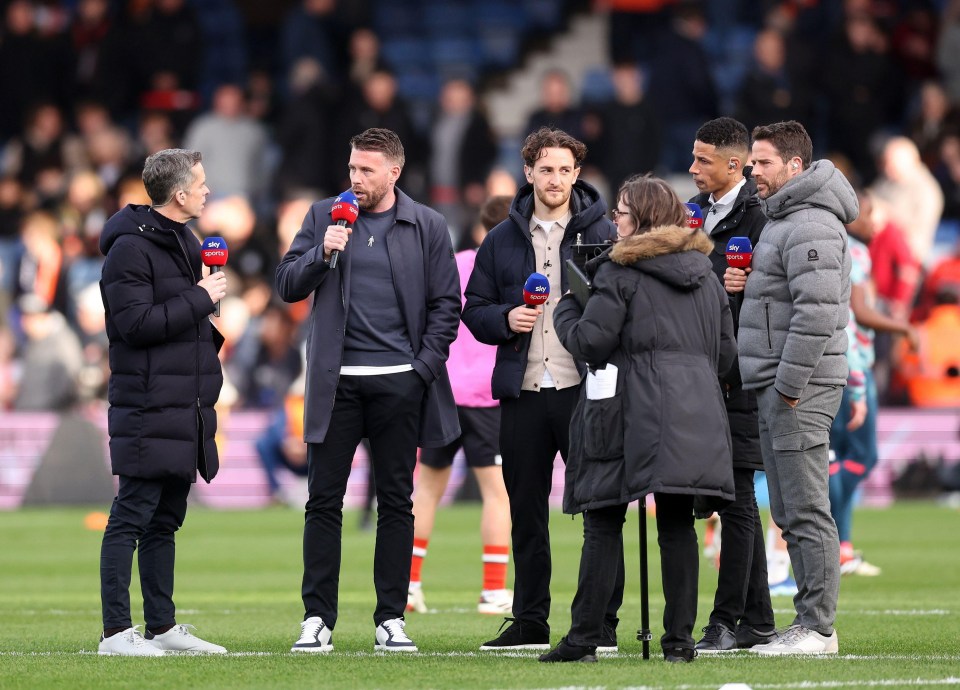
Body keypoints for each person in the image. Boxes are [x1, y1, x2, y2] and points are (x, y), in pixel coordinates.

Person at [275, 128, 460, 653]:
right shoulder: (322, 217)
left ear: (394, 172)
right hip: (336, 386)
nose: (356, 179)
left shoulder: (426, 224)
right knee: (323, 503)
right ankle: (317, 619)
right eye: (352, 168)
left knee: (397, 503)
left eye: (367, 171)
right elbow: (287, 283)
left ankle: (390, 620)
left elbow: (449, 305)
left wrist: (420, 370)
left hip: (400, 386)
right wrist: (322, 253)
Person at [542, 174, 736, 664]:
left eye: (621, 213)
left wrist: (567, 308)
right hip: (695, 410)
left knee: (603, 519)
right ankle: (679, 643)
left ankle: (584, 637)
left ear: (642, 220)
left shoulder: (617, 272)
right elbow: (727, 358)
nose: (614, 221)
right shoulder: (707, 275)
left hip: (628, 406)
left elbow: (591, 342)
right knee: (676, 527)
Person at [462, 126, 618, 651]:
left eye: (565, 170)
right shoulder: (502, 239)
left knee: (600, 509)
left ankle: (603, 622)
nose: (555, 179)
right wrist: (507, 317)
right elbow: (473, 310)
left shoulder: (602, 235)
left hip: (585, 388)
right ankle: (530, 619)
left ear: (578, 174)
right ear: (528, 173)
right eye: (545, 169)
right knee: (525, 510)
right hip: (523, 391)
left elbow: (624, 305)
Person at [724, 120, 857, 655]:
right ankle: (809, 621)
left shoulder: (812, 225)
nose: (752, 170)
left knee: (804, 507)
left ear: (794, 166)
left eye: (762, 162)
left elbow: (817, 314)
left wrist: (789, 386)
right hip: (779, 383)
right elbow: (787, 300)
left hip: (796, 386)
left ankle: (818, 627)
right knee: (788, 508)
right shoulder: (787, 220)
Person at [97, 148, 228, 656]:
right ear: (179, 194)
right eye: (200, 182)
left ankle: (161, 626)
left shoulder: (184, 239)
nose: (207, 190)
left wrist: (209, 326)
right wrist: (200, 298)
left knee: (165, 519)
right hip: (147, 403)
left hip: (183, 404)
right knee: (130, 515)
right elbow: (133, 325)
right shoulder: (130, 250)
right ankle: (115, 632)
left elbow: (178, 321)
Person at [687, 117, 777, 653]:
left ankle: (724, 619)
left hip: (742, 373)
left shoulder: (760, 219)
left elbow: (779, 292)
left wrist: (750, 286)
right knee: (730, 498)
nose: (693, 168)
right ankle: (758, 619)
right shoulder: (691, 214)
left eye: (703, 160)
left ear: (734, 164)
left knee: (737, 495)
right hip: (703, 371)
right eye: (694, 158)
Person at [407, 195, 513, 617]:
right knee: (497, 494)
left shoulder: (452, 263)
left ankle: (409, 587)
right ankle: (491, 592)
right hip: (488, 395)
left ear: (478, 227)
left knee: (426, 489)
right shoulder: (512, 268)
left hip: (443, 389)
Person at [830, 190, 918, 577]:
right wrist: (904, 327)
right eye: (868, 212)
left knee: (835, 459)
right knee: (861, 458)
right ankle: (828, 534)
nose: (874, 221)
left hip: (829, 363)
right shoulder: (856, 251)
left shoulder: (824, 243)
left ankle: (840, 546)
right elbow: (862, 313)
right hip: (853, 367)